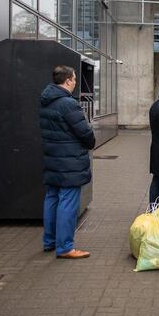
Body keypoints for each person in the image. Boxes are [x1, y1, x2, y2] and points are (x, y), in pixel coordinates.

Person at [39, 65, 95, 259]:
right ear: (68, 80)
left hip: (52, 158)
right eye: (74, 79)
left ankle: (50, 241)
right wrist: (91, 142)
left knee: (52, 198)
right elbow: (84, 132)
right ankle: (65, 247)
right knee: (68, 203)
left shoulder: (46, 101)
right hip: (69, 161)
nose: (75, 82)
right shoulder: (67, 103)